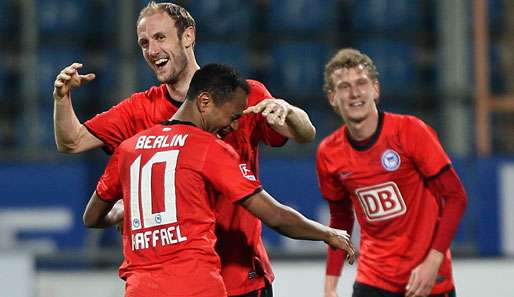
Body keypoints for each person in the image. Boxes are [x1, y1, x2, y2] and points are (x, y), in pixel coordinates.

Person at [52, 2, 315, 296]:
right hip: (179, 285)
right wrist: (62, 98)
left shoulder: (242, 95)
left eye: (160, 38)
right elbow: (71, 141)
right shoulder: (138, 109)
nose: (152, 50)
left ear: (188, 36)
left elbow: (304, 134)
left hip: (241, 277)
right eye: (144, 43)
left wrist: (288, 111)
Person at [83, 64, 356, 297]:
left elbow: (92, 217)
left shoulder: (129, 148)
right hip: (197, 286)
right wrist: (328, 233)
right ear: (204, 102)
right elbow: (274, 215)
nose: (235, 125)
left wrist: (125, 212)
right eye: (234, 115)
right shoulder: (208, 147)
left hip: (140, 289)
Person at [316, 48, 468, 297]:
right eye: (344, 86)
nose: (354, 93)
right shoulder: (328, 153)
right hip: (373, 280)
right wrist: (330, 284)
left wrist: (434, 261)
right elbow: (340, 221)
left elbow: (455, 197)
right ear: (332, 97)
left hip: (427, 279)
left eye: (361, 83)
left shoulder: (411, 132)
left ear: (375, 89)